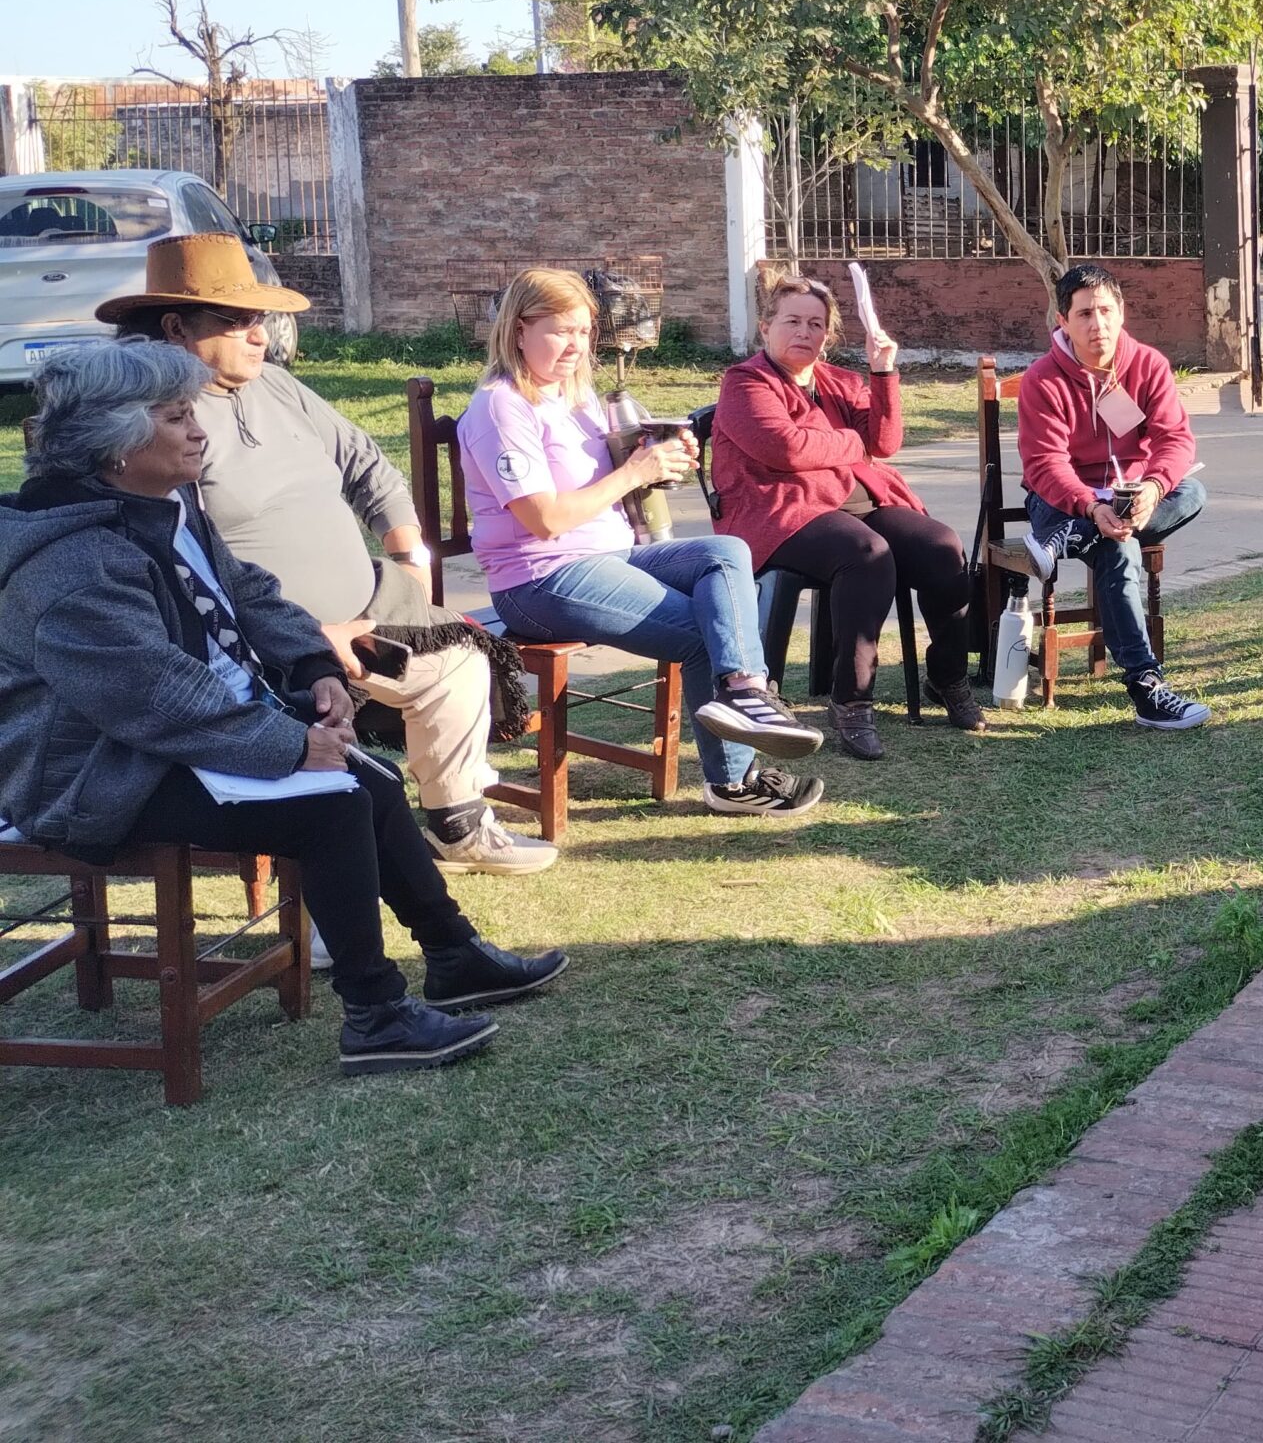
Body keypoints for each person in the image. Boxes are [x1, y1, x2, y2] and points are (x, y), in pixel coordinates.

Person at [0, 343, 565, 1076]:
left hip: (161, 739)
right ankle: (375, 1015)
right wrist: (291, 745)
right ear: (115, 448)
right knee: (329, 805)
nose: (198, 429)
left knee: (372, 777)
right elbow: (152, 694)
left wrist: (313, 666)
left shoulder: (160, 501)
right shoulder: (72, 565)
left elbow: (249, 591)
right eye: (176, 418)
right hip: (88, 773)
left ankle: (453, 956)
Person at [102, 233, 553, 878]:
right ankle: (329, 908)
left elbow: (367, 464)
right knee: (342, 747)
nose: (261, 336)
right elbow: (183, 575)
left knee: (459, 661)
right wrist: (310, 638)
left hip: (369, 610)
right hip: (266, 647)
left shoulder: (278, 388)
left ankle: (457, 826)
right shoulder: (156, 424)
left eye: (263, 320)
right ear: (176, 328)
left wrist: (408, 557)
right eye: (238, 321)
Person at [457, 269, 826, 816]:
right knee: (708, 626)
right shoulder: (501, 407)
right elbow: (543, 519)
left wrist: (659, 457)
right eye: (560, 332)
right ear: (517, 331)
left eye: (584, 332)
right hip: (539, 579)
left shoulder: (574, 398)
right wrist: (634, 471)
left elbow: (611, 480)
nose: (575, 346)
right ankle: (734, 780)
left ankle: (746, 691)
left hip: (607, 558)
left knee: (726, 554)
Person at [713, 271, 982, 759]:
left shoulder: (841, 380)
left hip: (857, 500)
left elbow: (887, 442)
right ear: (766, 327)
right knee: (867, 554)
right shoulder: (745, 382)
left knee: (942, 547)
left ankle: (948, 677)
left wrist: (882, 373)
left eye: (816, 325)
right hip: (781, 509)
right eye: (792, 321)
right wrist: (855, 445)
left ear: (828, 334)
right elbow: (786, 450)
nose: (804, 333)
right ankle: (852, 703)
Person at [1017, 263, 1213, 730]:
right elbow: (1045, 465)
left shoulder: (1148, 365)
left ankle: (1071, 538)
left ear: (1122, 312)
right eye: (1083, 314)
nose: (1097, 324)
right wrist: (1089, 506)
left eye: (1106, 310)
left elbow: (1176, 440)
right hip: (1063, 499)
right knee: (1118, 545)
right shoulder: (1042, 380)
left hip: (1131, 493)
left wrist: (1154, 487)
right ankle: (1147, 689)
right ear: (1062, 321)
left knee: (1193, 491)